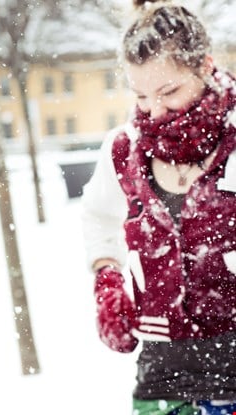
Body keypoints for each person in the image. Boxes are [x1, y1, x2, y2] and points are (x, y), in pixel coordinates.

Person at [81, 1, 236, 414]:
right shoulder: (124, 149)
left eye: (169, 92)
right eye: (141, 95)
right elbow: (98, 216)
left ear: (204, 65)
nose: (154, 110)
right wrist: (107, 278)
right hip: (163, 383)